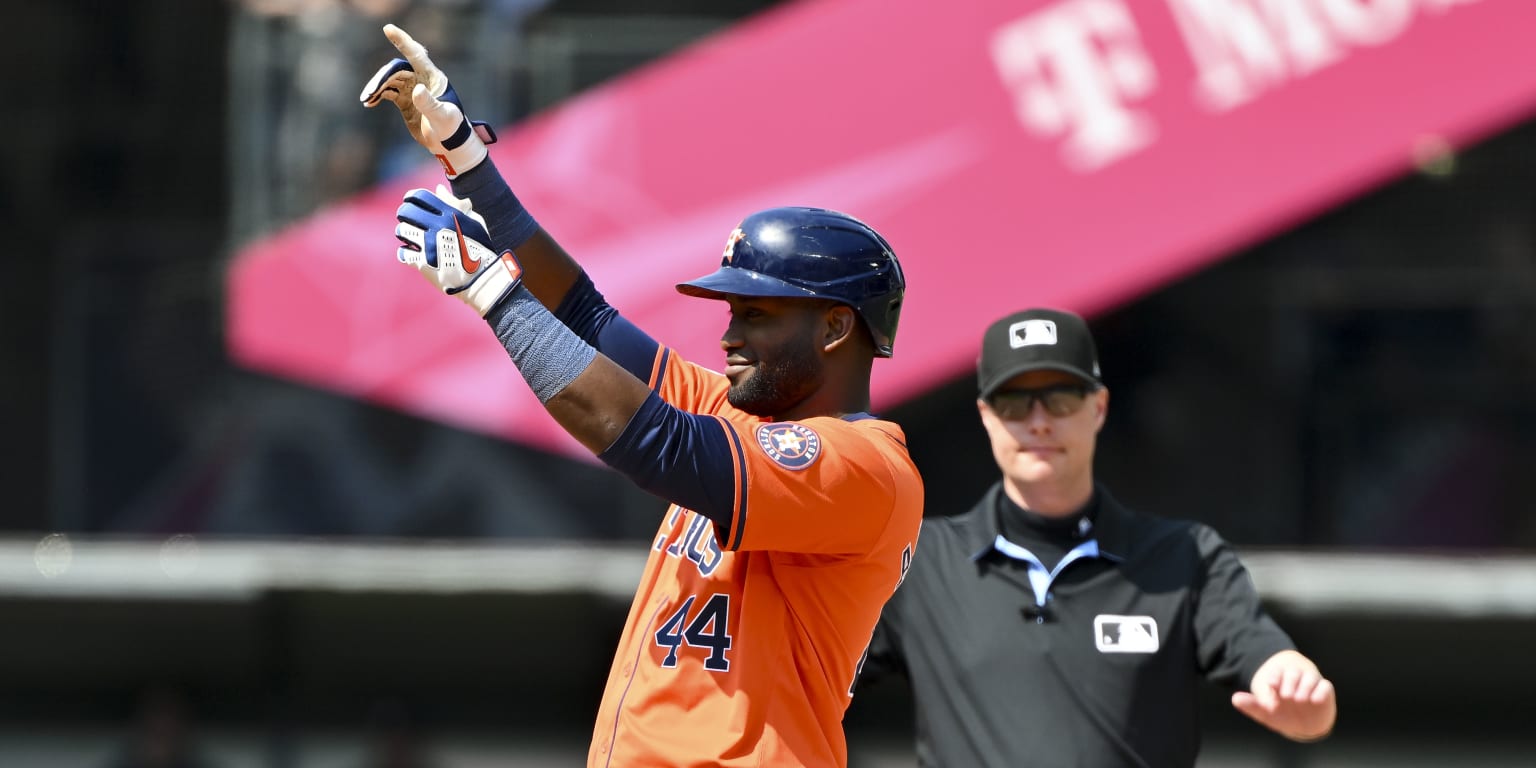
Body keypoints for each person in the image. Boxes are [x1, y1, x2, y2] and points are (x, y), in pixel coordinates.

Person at [358, 24, 923, 768]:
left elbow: (652, 440)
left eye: (757, 315)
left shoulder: (868, 469)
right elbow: (586, 318)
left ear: (835, 328)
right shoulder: (736, 409)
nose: (729, 336)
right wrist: (466, 156)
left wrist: (490, 289)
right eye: (731, 313)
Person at [856, 308, 1337, 768]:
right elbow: (811, 685)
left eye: (1061, 397)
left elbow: (1265, 657)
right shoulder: (918, 560)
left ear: (1100, 407)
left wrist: (1301, 696)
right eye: (1015, 402)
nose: (1039, 420)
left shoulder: (1186, 556)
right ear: (987, 414)